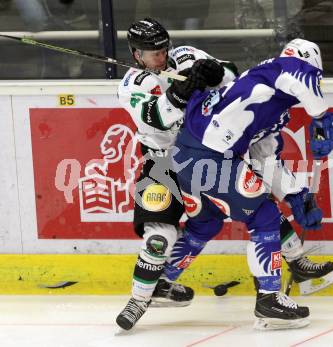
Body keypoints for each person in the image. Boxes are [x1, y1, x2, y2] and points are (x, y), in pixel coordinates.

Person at [166, 38, 333, 330]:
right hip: (208, 156)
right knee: (264, 216)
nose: (317, 81)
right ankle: (269, 299)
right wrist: (322, 118)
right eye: (317, 75)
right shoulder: (281, 69)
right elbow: (299, 75)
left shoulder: (271, 99)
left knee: (206, 223)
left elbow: (264, 157)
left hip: (191, 154)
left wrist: (296, 195)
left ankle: (159, 281)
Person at [115, 17, 238, 331]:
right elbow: (157, 118)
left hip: (203, 159)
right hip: (162, 164)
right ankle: (139, 298)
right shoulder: (132, 85)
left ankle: (164, 281)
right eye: (152, 53)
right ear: (135, 54)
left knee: (218, 220)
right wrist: (183, 90)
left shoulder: (184, 56)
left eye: (163, 49)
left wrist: (216, 72)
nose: (161, 56)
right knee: (161, 234)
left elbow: (233, 75)